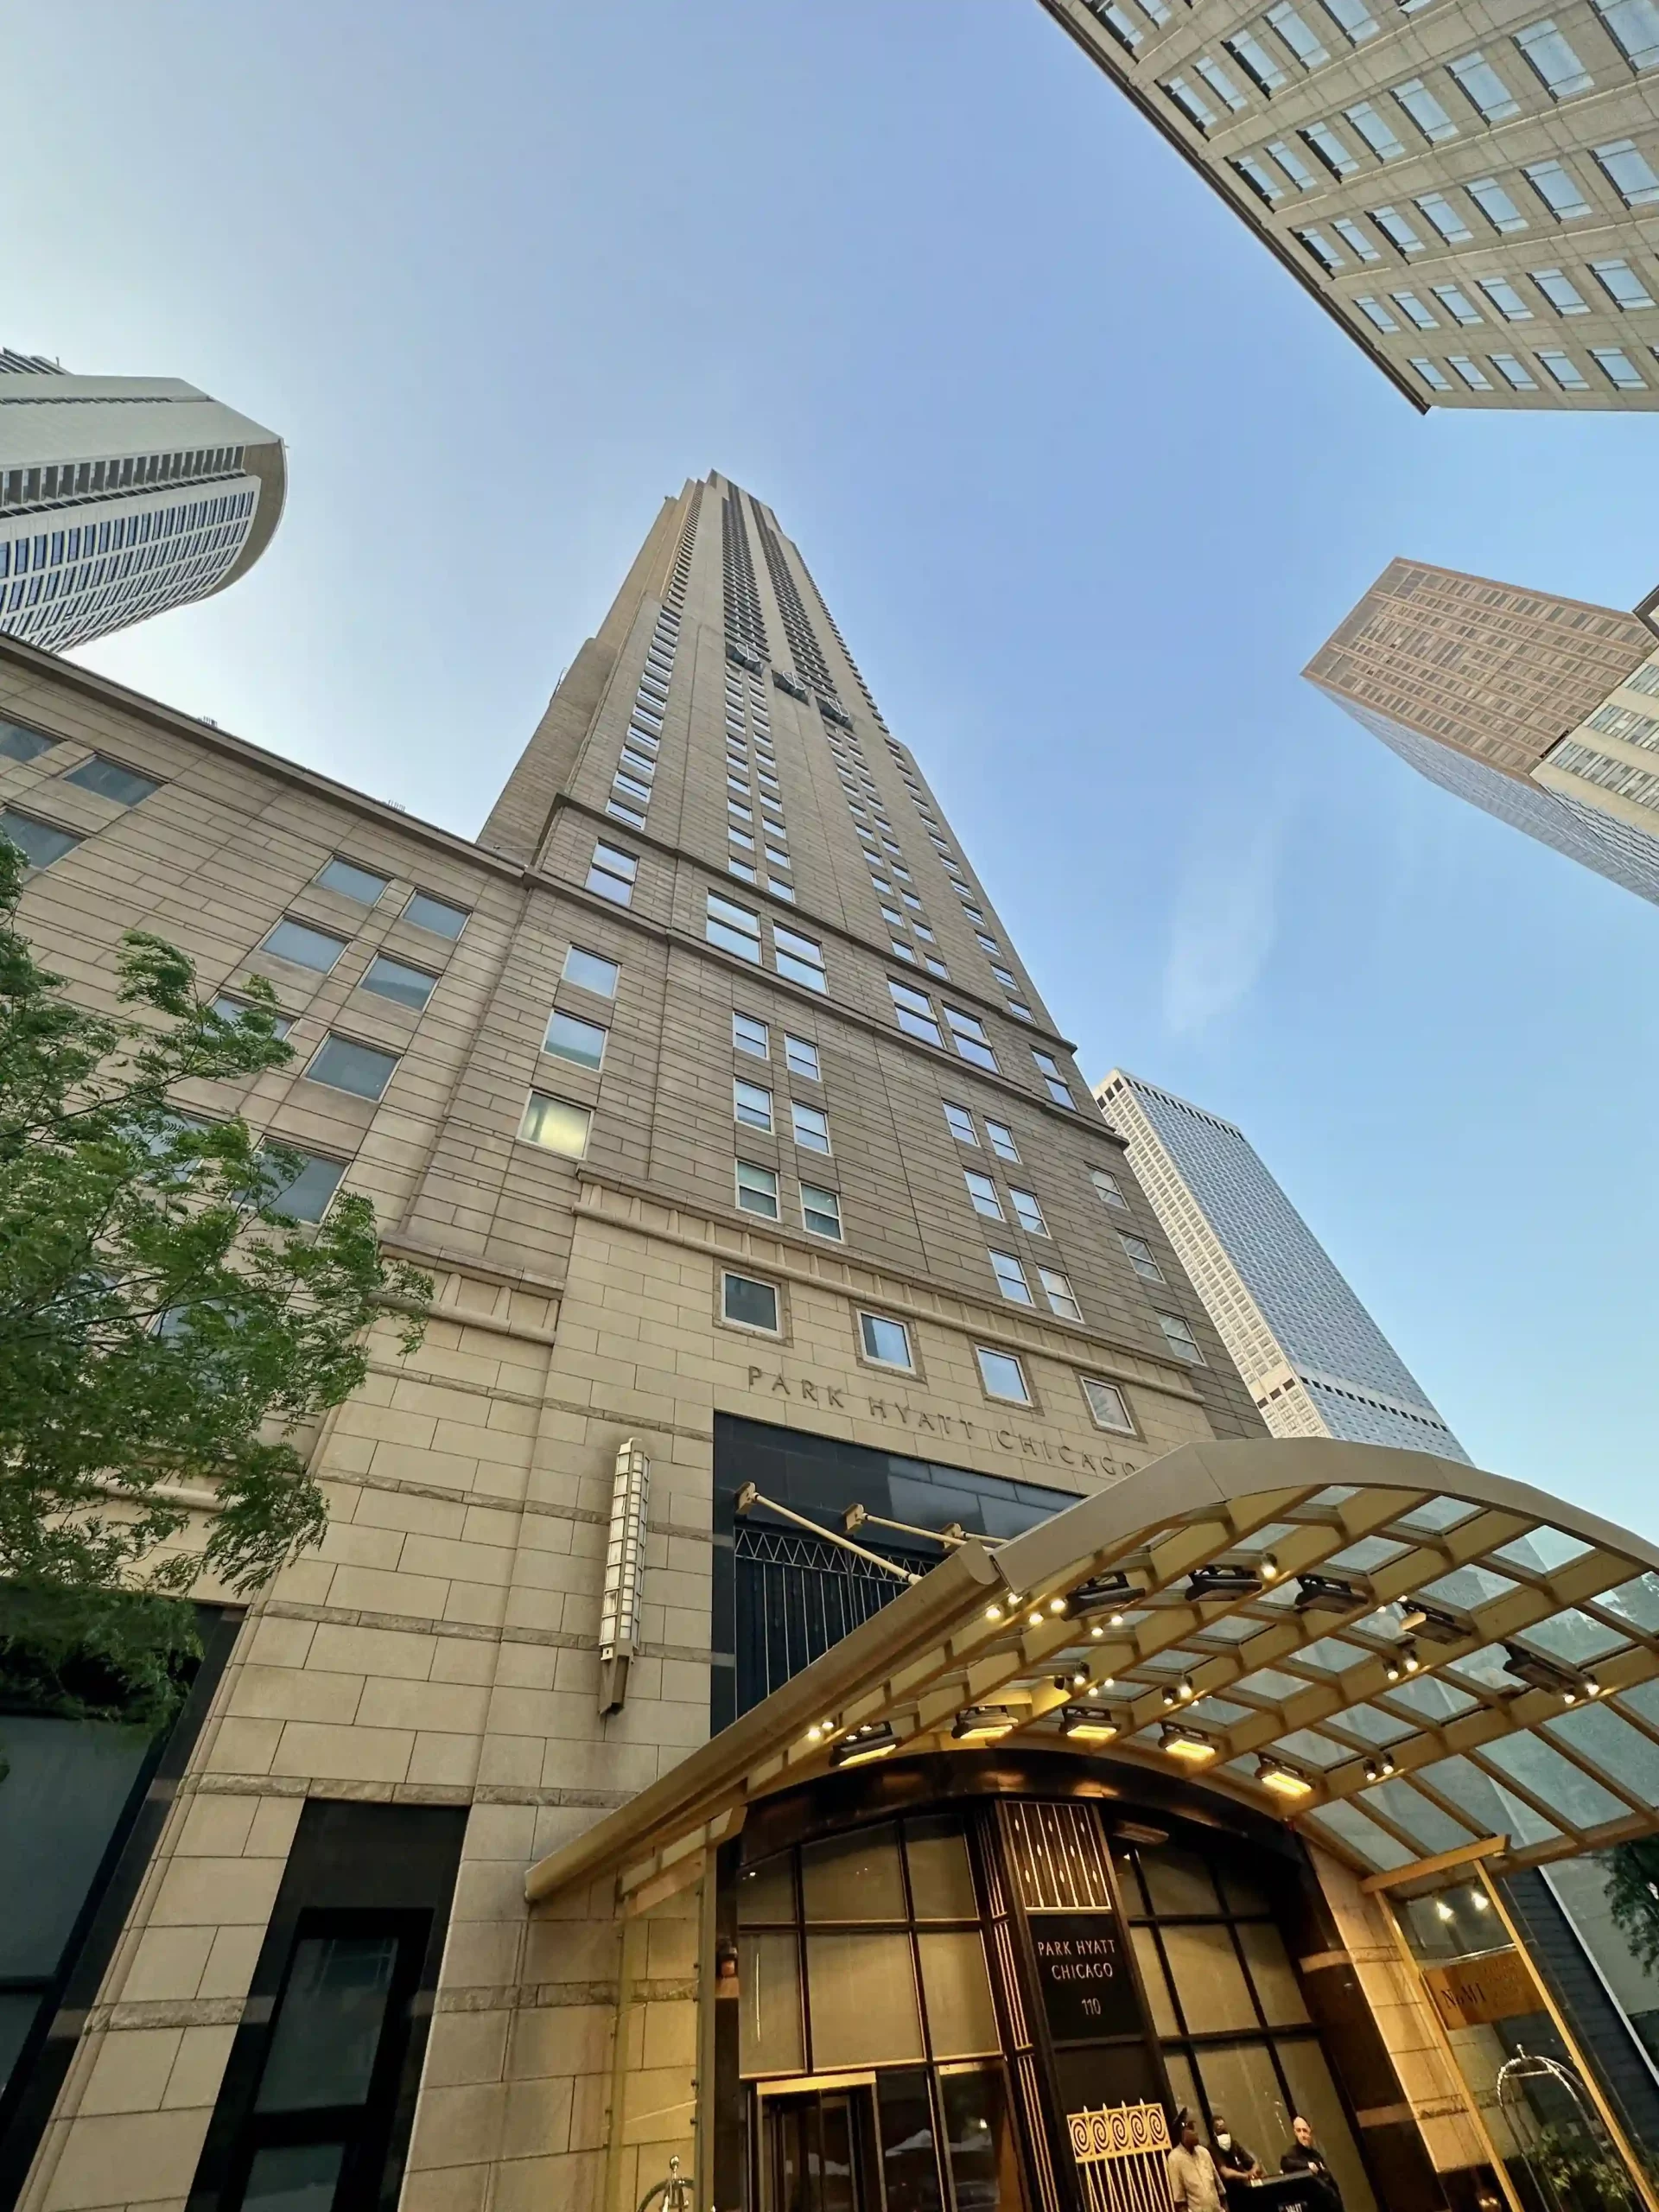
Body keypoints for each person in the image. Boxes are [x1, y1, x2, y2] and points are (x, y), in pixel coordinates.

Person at [1166, 2108, 1224, 2211]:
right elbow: (1180, 2202)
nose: (1196, 2132)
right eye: (1192, 2128)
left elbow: (1220, 2188)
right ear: (1183, 2132)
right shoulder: (1174, 2159)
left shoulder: (1204, 2152)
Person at [1281, 2114, 1344, 2209]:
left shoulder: (1316, 2155)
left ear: (1310, 2133)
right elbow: (1285, 2163)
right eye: (1299, 2131)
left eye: (1305, 2131)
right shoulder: (1292, 2153)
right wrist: (1307, 2166)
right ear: (1295, 2132)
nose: (1302, 2135)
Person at [1211, 2110, 1263, 2201]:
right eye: (1219, 2130)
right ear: (1214, 2132)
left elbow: (1254, 2163)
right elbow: (1225, 2172)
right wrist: (1245, 2175)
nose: (1223, 2132)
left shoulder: (1234, 2144)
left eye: (1224, 2129)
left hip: (1245, 2189)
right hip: (1230, 2195)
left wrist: (1253, 2172)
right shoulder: (1213, 2149)